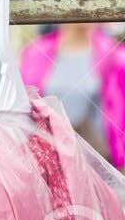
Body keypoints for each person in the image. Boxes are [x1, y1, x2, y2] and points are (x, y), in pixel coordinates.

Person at [19, 18, 125, 165]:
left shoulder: (115, 56)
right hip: (49, 163)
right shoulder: (34, 54)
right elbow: (24, 110)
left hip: (98, 163)